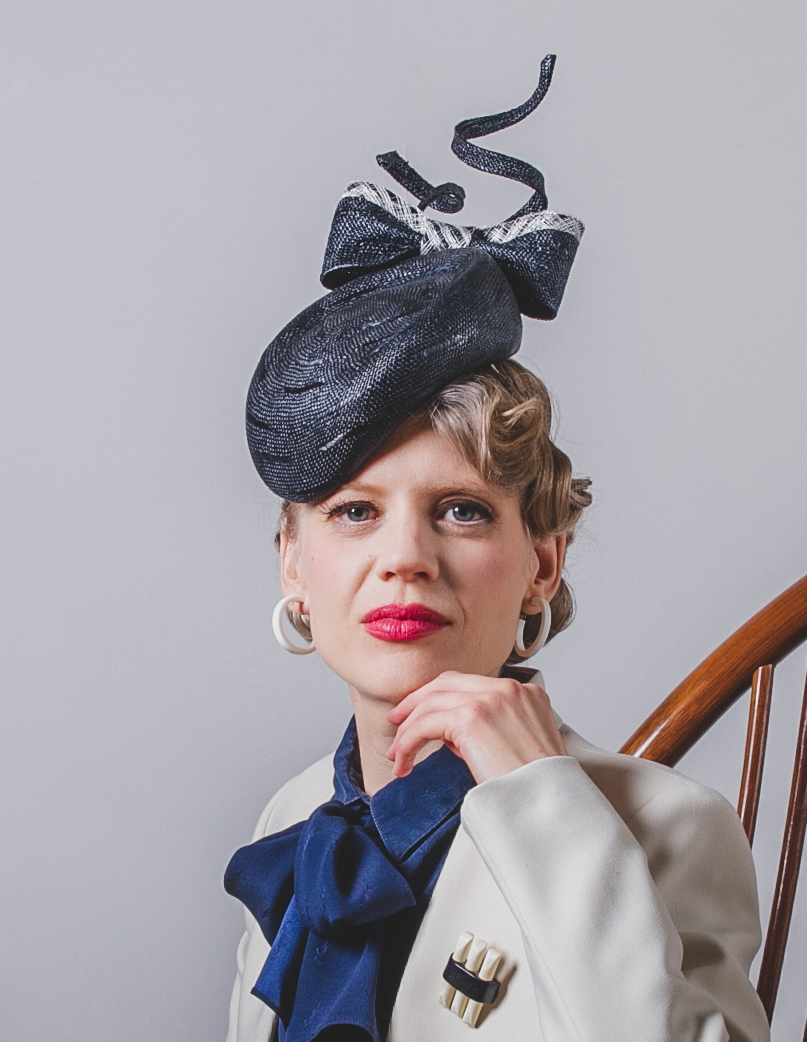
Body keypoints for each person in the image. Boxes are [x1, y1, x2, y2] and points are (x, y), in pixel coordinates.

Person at [224, 56, 769, 1042]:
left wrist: (544, 809)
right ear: (293, 567)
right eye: (354, 511)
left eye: (463, 511)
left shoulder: (671, 828)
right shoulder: (288, 818)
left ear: (543, 563)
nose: (407, 556)